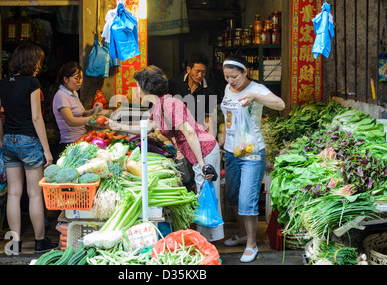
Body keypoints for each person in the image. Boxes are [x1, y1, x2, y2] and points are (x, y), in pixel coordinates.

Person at [104, 65, 224, 242]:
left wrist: (201, 163)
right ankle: (205, 241)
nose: (137, 90)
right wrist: (117, 127)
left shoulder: (169, 104)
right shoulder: (160, 104)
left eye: (138, 86)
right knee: (202, 195)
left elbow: (189, 132)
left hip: (204, 150)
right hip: (197, 152)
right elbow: (147, 128)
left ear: (146, 87)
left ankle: (208, 242)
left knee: (206, 196)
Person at [0, 43, 58, 254]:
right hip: (29, 141)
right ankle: (40, 241)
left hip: (10, 141)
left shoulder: (1, 83)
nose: (39, 65)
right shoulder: (32, 83)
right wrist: (47, 150)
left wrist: (3, 138)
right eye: (38, 61)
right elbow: (36, 117)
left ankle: (15, 243)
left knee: (13, 193)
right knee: (35, 194)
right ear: (30, 61)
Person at [219, 54, 285, 263]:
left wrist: (255, 97)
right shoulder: (227, 89)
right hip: (231, 151)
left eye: (234, 76)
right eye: (227, 76)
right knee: (234, 197)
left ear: (245, 72)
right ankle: (242, 234)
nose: (230, 81)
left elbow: (280, 104)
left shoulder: (257, 89)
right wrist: (222, 136)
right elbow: (228, 117)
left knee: (247, 201)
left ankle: (252, 244)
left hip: (252, 153)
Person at [168, 53, 217, 189]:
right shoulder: (174, 84)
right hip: (179, 137)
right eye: (197, 71)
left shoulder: (209, 89)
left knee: (199, 174)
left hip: (197, 137)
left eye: (203, 72)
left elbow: (209, 116)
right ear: (188, 69)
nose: (200, 75)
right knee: (183, 176)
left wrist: (212, 137)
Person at [51, 61, 107, 158]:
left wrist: (92, 110)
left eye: (81, 78)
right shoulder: (61, 95)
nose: (80, 81)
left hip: (80, 140)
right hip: (70, 144)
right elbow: (71, 121)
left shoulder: (73, 93)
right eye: (76, 78)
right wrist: (94, 118)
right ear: (65, 79)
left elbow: (81, 113)